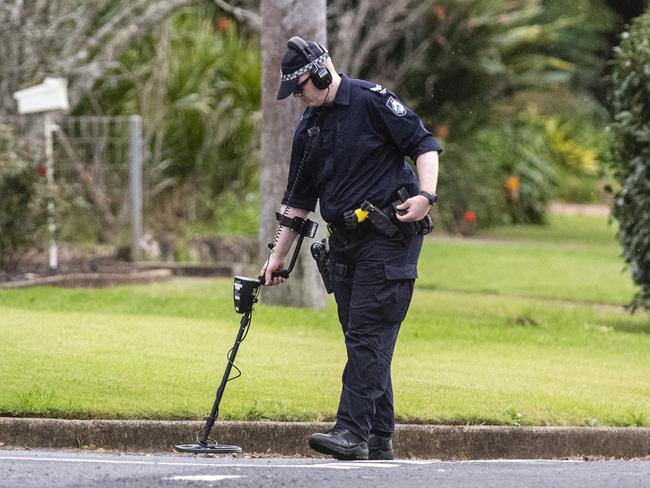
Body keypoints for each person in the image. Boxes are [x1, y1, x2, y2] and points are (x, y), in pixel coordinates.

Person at [261, 36, 442, 461]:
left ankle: (351, 432)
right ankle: (378, 437)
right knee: (364, 338)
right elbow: (298, 202)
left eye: (302, 86)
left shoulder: (371, 101)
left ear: (322, 73)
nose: (299, 97)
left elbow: (424, 144)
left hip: (389, 237)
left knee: (367, 332)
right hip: (344, 243)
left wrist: (426, 197)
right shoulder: (309, 127)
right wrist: (278, 255)